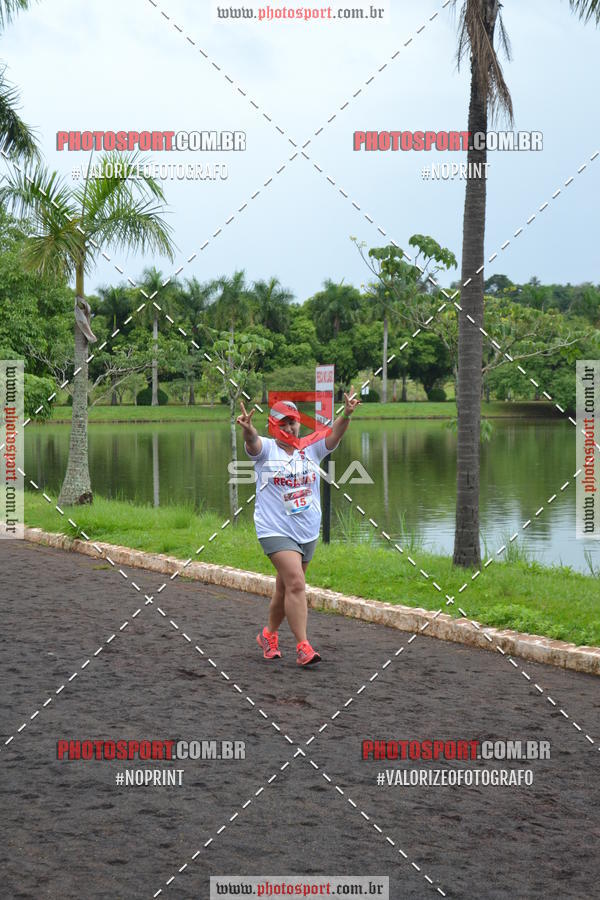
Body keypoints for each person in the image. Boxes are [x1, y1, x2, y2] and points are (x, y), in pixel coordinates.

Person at [236, 388, 360, 666]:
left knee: (285, 588)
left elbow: (334, 435)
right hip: (274, 529)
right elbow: (253, 442)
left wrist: (347, 414)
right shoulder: (266, 450)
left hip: (306, 530)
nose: (290, 426)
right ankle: (303, 647)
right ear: (273, 426)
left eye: (293, 421)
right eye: (283, 423)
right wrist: (248, 430)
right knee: (296, 583)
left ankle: (268, 635)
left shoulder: (310, 448)